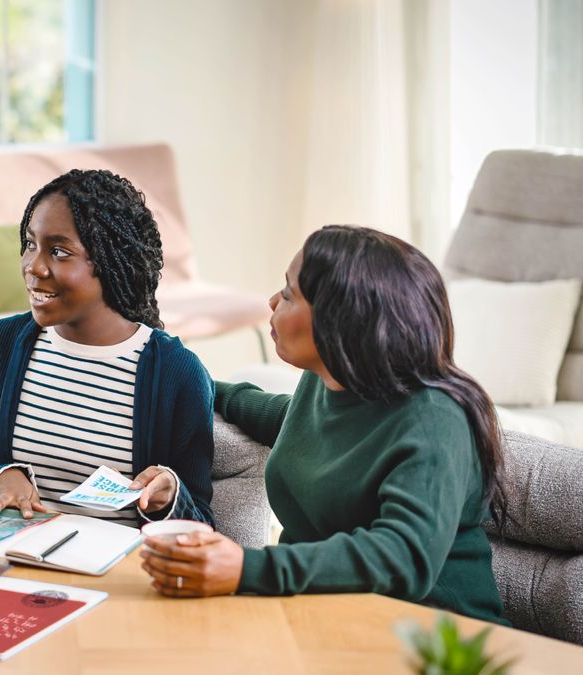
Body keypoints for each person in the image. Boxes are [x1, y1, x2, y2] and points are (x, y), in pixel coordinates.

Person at [140, 225, 508, 624]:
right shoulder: (327, 381)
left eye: (290, 293)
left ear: (341, 321)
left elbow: (404, 556)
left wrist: (246, 569)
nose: (271, 301)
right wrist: (196, 383)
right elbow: (297, 424)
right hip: (328, 617)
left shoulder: (435, 419)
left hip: (438, 641)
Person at [0, 169, 215, 528]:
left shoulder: (175, 372)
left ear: (109, 260)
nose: (33, 266)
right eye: (30, 244)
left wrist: (167, 501)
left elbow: (200, 525)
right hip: (12, 562)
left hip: (115, 576)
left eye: (58, 251)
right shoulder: (0, 345)